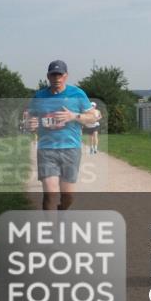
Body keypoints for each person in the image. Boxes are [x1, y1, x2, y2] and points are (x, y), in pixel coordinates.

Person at [27, 60, 100, 211]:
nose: (57, 78)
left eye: (60, 75)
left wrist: (73, 116)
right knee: (50, 194)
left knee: (68, 197)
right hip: (46, 149)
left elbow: (93, 117)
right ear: (48, 76)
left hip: (71, 149)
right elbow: (30, 118)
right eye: (53, 75)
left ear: (66, 76)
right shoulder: (39, 96)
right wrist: (31, 124)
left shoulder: (77, 94)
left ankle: (62, 209)